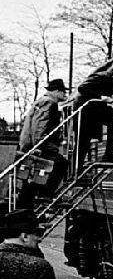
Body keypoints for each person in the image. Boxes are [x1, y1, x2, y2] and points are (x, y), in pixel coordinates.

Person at [16, 79, 70, 208]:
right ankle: (46, 194)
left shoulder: (41, 101)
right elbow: (39, 127)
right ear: (56, 91)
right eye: (63, 92)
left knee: (33, 176)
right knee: (61, 163)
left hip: (31, 144)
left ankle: (26, 208)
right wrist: (39, 146)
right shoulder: (49, 102)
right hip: (39, 144)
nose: (65, 95)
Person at [73, 56, 113, 168]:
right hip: (84, 108)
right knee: (83, 140)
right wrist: (100, 97)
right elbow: (82, 88)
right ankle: (75, 170)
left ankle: (109, 155)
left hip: (95, 107)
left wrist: (112, 107)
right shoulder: (103, 76)